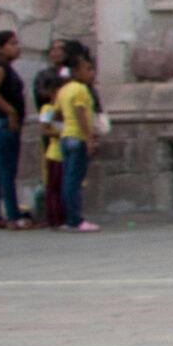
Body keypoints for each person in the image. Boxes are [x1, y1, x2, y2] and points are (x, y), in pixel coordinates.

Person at [0, 30, 35, 230]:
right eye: (12, 43)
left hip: (0, 124)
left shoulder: (5, 68)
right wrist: (10, 111)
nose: (16, 47)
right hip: (3, 123)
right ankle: (13, 216)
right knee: (7, 172)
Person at [51, 42, 102, 233]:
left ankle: (69, 217)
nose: (90, 73)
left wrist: (62, 124)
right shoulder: (80, 89)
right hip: (77, 137)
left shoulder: (63, 90)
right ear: (76, 71)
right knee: (75, 180)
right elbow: (81, 113)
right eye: (87, 69)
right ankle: (75, 219)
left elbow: (55, 113)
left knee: (67, 179)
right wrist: (88, 138)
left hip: (65, 137)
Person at [32, 37, 69, 229]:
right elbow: (41, 97)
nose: (57, 53)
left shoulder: (70, 72)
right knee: (52, 180)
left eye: (61, 49)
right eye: (53, 49)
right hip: (55, 143)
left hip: (66, 133)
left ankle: (64, 212)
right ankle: (52, 215)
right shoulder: (45, 76)